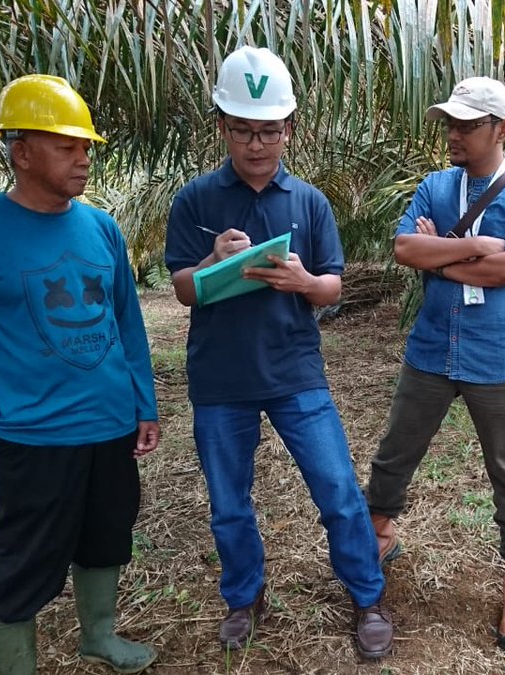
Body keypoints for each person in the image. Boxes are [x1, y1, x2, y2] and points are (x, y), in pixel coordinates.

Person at [0, 74, 160, 674]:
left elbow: (127, 323)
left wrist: (144, 404)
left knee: (107, 537)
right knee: (25, 562)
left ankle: (98, 636)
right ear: (21, 153)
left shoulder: (101, 227)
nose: (83, 159)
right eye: (66, 147)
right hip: (32, 436)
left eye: (86, 147)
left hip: (110, 426)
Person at [162, 46, 393, 660]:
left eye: (269, 131)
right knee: (228, 504)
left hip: (295, 371)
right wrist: (212, 260)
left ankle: (367, 596)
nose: (256, 144)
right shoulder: (195, 201)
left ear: (289, 129)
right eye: (243, 130)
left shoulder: (309, 202)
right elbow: (182, 290)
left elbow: (332, 285)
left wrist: (303, 282)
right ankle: (244, 598)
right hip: (220, 377)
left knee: (337, 489)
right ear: (221, 126)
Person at [365, 76, 505, 652]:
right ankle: (377, 532)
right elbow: (404, 248)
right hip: (431, 349)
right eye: (450, 122)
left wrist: (439, 259)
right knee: (396, 453)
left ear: (502, 129)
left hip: (497, 357)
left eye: (468, 125)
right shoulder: (436, 186)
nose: (454, 133)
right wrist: (476, 247)